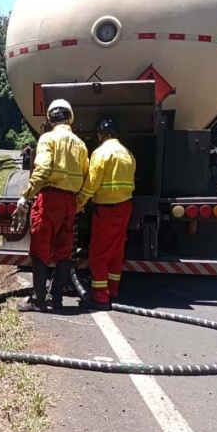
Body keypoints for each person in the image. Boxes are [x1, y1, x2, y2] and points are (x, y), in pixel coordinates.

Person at [17, 99, 93, 313]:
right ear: (70, 118)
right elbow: (87, 176)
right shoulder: (80, 144)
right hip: (70, 202)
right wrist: (77, 204)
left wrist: (26, 196)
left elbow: (42, 169)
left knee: (40, 250)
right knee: (64, 251)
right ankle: (56, 297)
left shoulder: (47, 139)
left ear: (49, 119)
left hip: (48, 199)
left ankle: (39, 300)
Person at [76, 118, 137, 311]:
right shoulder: (128, 154)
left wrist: (78, 204)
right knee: (116, 251)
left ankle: (101, 298)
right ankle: (113, 290)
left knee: (99, 254)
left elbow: (91, 184)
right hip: (125, 207)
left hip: (107, 209)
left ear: (100, 135)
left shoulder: (101, 153)